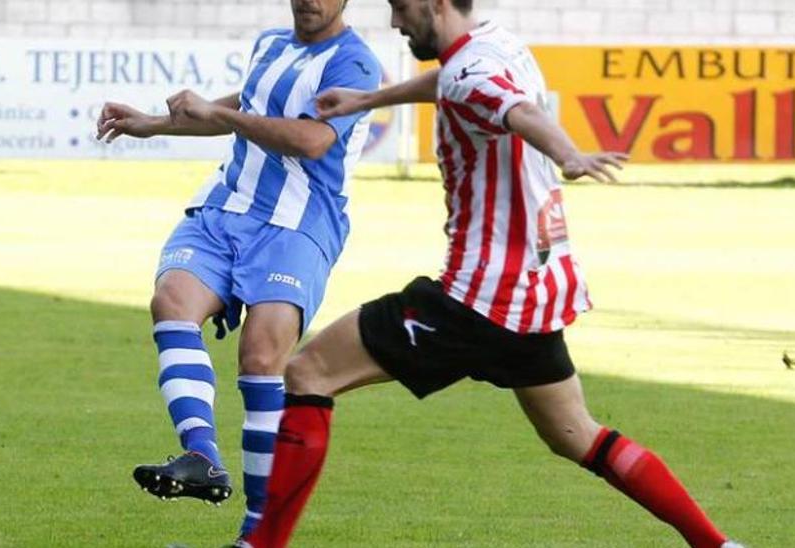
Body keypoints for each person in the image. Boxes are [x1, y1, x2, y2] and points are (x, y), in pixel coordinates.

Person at [235, 1, 745, 547]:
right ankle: (718, 545)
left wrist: (568, 154)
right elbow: (453, 84)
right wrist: (370, 98)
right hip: (535, 292)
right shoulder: (496, 44)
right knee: (576, 435)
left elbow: (519, 112)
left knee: (308, 373)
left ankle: (260, 546)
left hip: (473, 298)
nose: (395, 22)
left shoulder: (470, 74)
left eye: (402, 8)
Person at [95, 0, 382, 539]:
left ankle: (256, 534)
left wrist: (219, 114)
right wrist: (152, 124)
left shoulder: (356, 63)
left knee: (261, 356)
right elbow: (245, 107)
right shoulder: (271, 43)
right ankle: (201, 455)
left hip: (298, 227)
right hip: (226, 208)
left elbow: (314, 140)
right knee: (172, 300)